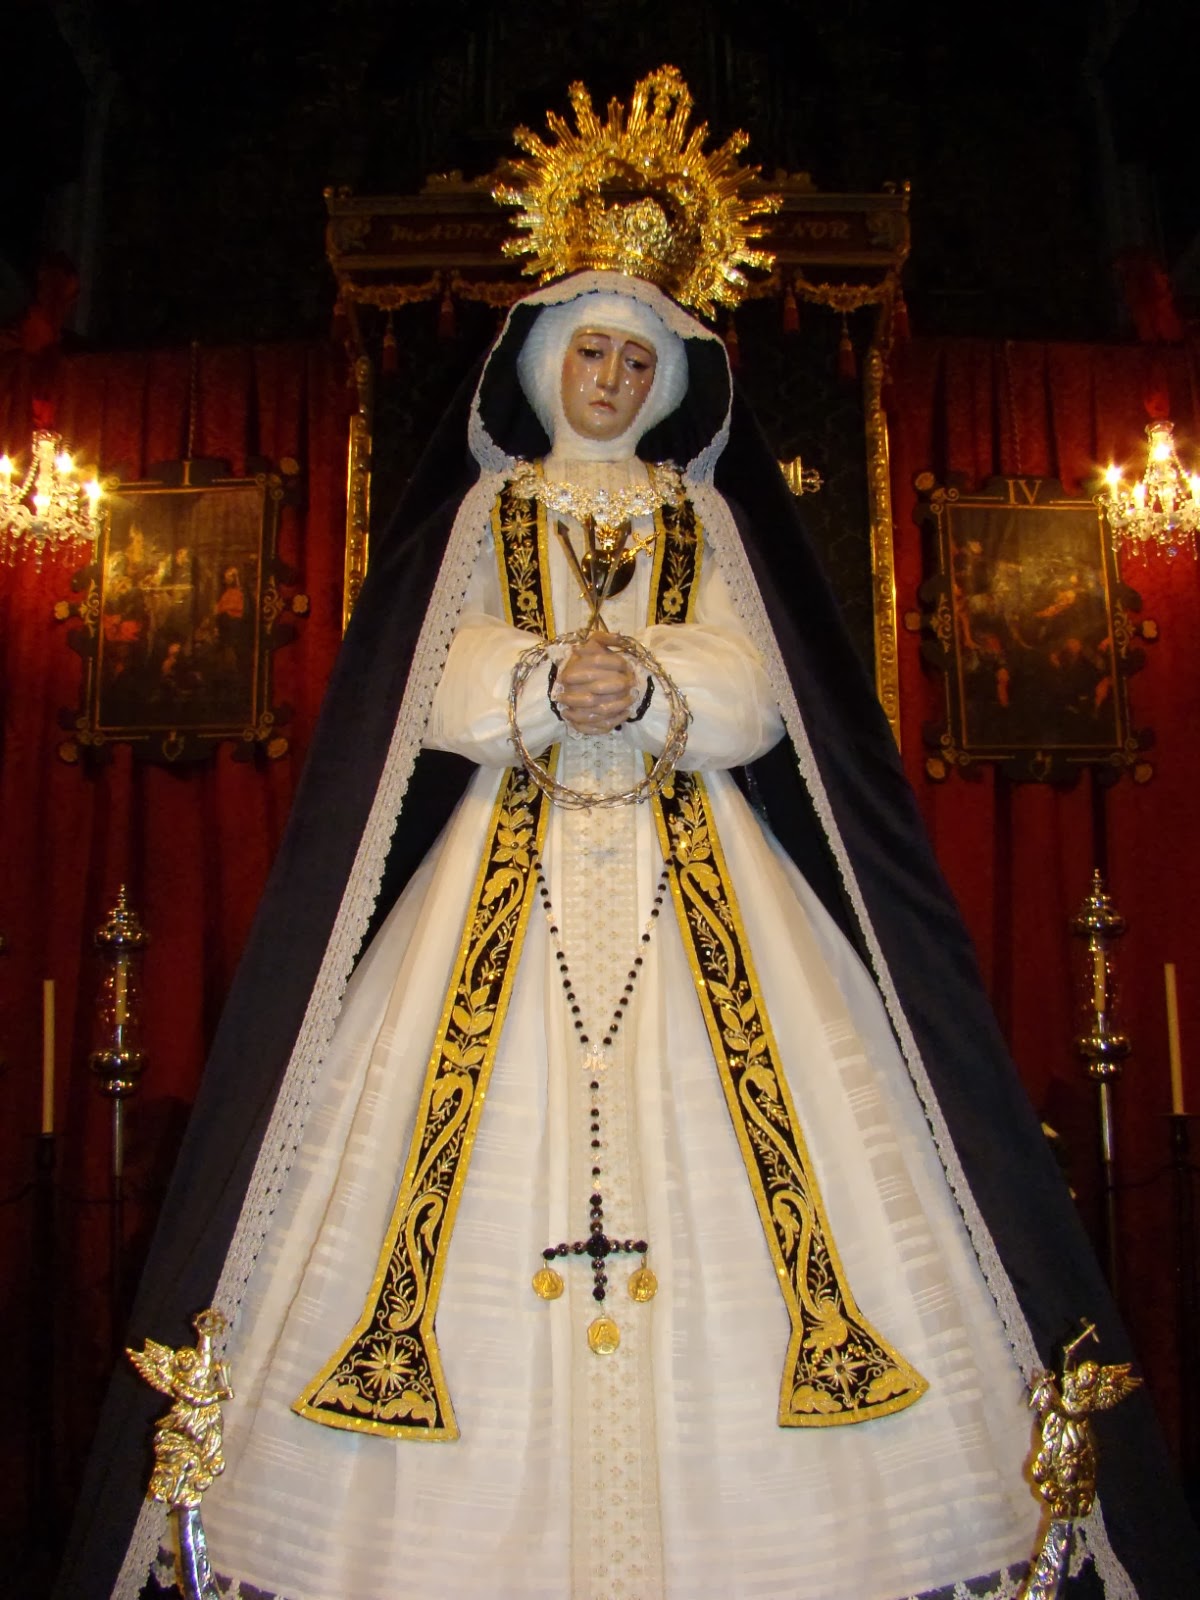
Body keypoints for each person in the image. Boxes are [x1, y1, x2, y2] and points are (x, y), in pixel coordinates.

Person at [58, 68, 1197, 1600]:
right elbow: (426, 682)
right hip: (507, 861)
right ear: (545, 364)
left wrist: (653, 688)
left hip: (694, 850)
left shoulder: (697, 519)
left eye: (634, 359)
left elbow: (762, 684)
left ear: (665, 384)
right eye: (588, 351)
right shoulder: (488, 519)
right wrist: (540, 685)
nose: (607, 377)